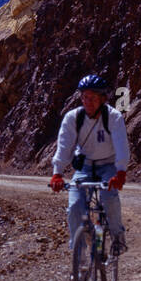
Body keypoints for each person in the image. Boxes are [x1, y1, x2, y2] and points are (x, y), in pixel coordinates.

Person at [49, 74, 130, 254]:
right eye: (84, 97)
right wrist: (58, 173)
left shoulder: (114, 117)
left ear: (103, 99)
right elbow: (64, 146)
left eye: (92, 98)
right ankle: (79, 255)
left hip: (108, 165)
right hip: (84, 167)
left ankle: (118, 237)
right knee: (74, 207)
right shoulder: (73, 118)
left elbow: (121, 146)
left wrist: (120, 172)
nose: (87, 102)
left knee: (109, 199)